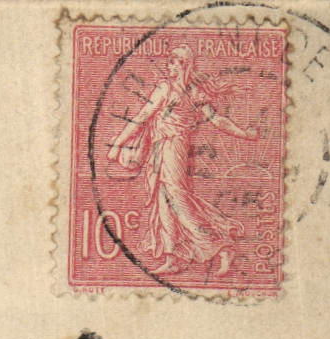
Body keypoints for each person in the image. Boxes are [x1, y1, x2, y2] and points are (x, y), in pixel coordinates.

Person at [106, 44, 259, 276]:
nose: (170, 68)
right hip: (159, 149)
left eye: (175, 64)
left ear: (186, 66)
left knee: (177, 199)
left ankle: (220, 247)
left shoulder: (194, 93)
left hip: (175, 148)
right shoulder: (165, 89)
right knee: (163, 202)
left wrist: (244, 134)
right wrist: (118, 143)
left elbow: (217, 120)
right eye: (169, 64)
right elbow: (142, 118)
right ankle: (173, 257)